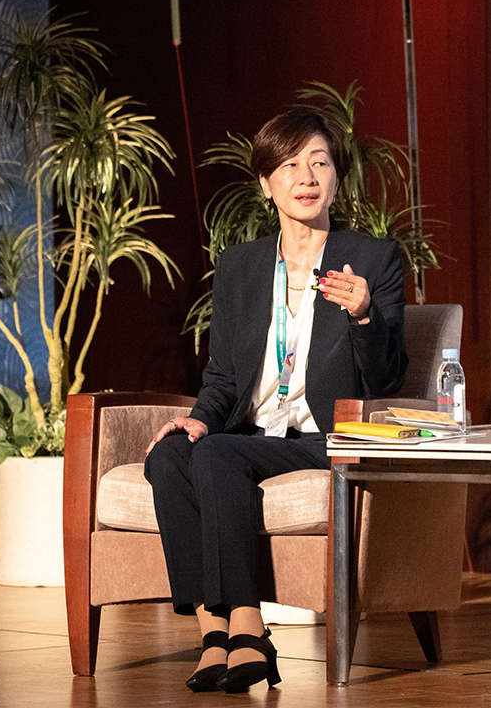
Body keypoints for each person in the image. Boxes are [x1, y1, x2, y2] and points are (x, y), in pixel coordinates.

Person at [144, 107, 408, 693]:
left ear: (337, 178)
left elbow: (386, 381)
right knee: (169, 454)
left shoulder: (372, 259)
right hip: (254, 434)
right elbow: (222, 377)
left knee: (218, 454)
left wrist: (364, 317)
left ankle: (247, 623)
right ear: (266, 184)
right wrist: (199, 419)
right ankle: (215, 633)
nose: (306, 177)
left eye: (319, 163)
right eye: (289, 165)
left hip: (326, 439)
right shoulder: (239, 267)